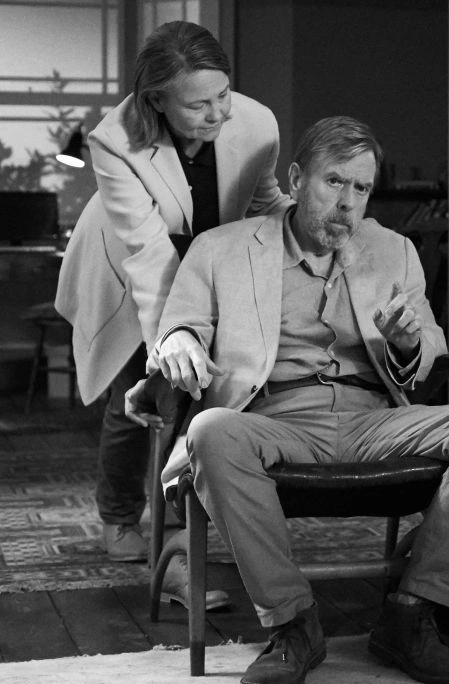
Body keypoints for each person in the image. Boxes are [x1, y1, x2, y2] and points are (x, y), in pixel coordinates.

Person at [126, 116, 449, 684]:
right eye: (334, 182)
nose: (347, 203)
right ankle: (293, 625)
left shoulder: (395, 251)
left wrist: (407, 344)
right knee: (210, 430)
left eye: (361, 188)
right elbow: (179, 327)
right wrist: (181, 341)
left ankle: (414, 612)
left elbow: (429, 358)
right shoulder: (222, 249)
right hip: (273, 420)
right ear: (296, 179)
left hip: (374, 419)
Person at [54, 20, 290, 605]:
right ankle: (119, 517)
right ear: (156, 100)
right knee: (141, 392)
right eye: (198, 105)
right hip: (129, 262)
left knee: (207, 394)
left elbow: (264, 204)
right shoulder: (115, 141)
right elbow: (148, 252)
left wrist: (309, 227)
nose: (218, 113)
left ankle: (185, 540)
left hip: (206, 262)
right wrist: (172, 337)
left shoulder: (256, 123)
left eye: (223, 95)